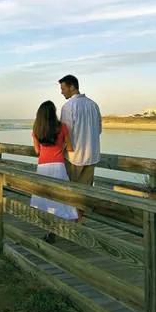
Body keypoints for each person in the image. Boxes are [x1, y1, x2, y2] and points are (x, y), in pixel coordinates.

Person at [30, 100, 79, 243]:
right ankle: (60, 226)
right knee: (61, 195)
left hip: (43, 166)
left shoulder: (36, 129)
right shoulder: (61, 127)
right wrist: (63, 146)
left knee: (45, 196)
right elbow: (70, 147)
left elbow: (37, 150)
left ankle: (49, 227)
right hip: (58, 165)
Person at [59, 75, 102, 223]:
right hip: (92, 154)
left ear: (72, 87)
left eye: (63, 89)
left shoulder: (69, 106)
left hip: (74, 155)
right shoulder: (93, 105)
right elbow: (99, 129)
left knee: (71, 190)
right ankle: (79, 219)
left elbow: (65, 132)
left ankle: (71, 221)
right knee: (84, 192)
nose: (62, 92)